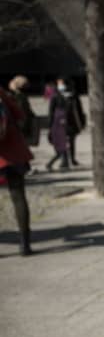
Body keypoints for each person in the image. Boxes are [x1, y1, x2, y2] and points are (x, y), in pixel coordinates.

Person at [0, 87, 34, 255]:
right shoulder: (1, 92)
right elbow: (20, 116)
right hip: (14, 151)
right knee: (19, 197)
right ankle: (25, 244)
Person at [48, 77, 86, 167]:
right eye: (59, 84)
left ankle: (72, 159)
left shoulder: (73, 95)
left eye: (61, 84)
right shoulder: (55, 96)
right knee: (62, 141)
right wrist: (50, 125)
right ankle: (64, 161)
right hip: (59, 122)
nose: (60, 86)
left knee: (72, 141)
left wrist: (82, 122)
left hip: (71, 122)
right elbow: (51, 111)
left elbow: (79, 109)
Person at [7, 76, 38, 148]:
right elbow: (23, 113)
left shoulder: (12, 96)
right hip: (20, 129)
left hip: (16, 129)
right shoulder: (20, 97)